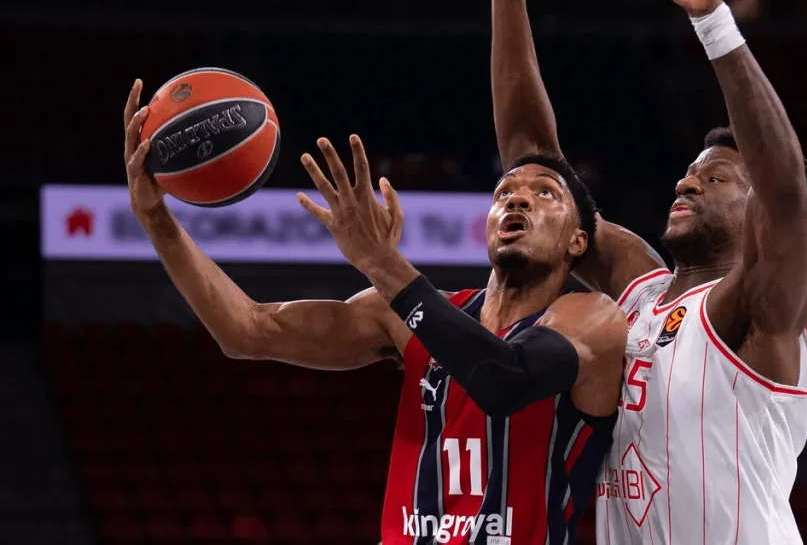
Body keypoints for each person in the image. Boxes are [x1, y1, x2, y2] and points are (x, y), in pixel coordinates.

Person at [487, 0, 807, 543]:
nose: (688, 183)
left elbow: (788, 194)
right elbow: (535, 165)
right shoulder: (638, 290)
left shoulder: (763, 313)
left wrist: (710, 21)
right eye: (688, 172)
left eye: (717, 178)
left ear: (759, 213)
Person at [122, 79, 626, 544]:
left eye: (545, 194)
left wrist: (381, 264)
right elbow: (248, 330)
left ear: (578, 240)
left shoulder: (592, 319)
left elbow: (504, 379)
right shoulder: (406, 315)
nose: (518, 200)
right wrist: (155, 218)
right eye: (504, 193)